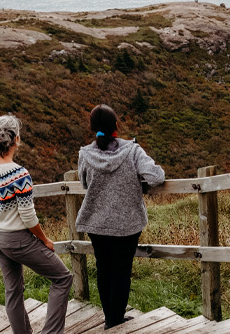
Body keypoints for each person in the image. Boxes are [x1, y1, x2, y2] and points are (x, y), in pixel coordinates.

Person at [74, 105, 166, 328]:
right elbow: (156, 177)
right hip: (128, 223)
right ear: (116, 126)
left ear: (93, 128)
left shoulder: (86, 154)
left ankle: (110, 318)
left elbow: (84, 182)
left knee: (104, 269)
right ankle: (115, 321)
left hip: (97, 223)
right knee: (122, 271)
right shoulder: (133, 151)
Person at [0, 114, 72, 334]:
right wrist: (45, 239)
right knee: (62, 278)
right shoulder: (19, 174)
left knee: (13, 290)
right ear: (16, 139)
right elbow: (28, 217)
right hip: (15, 238)